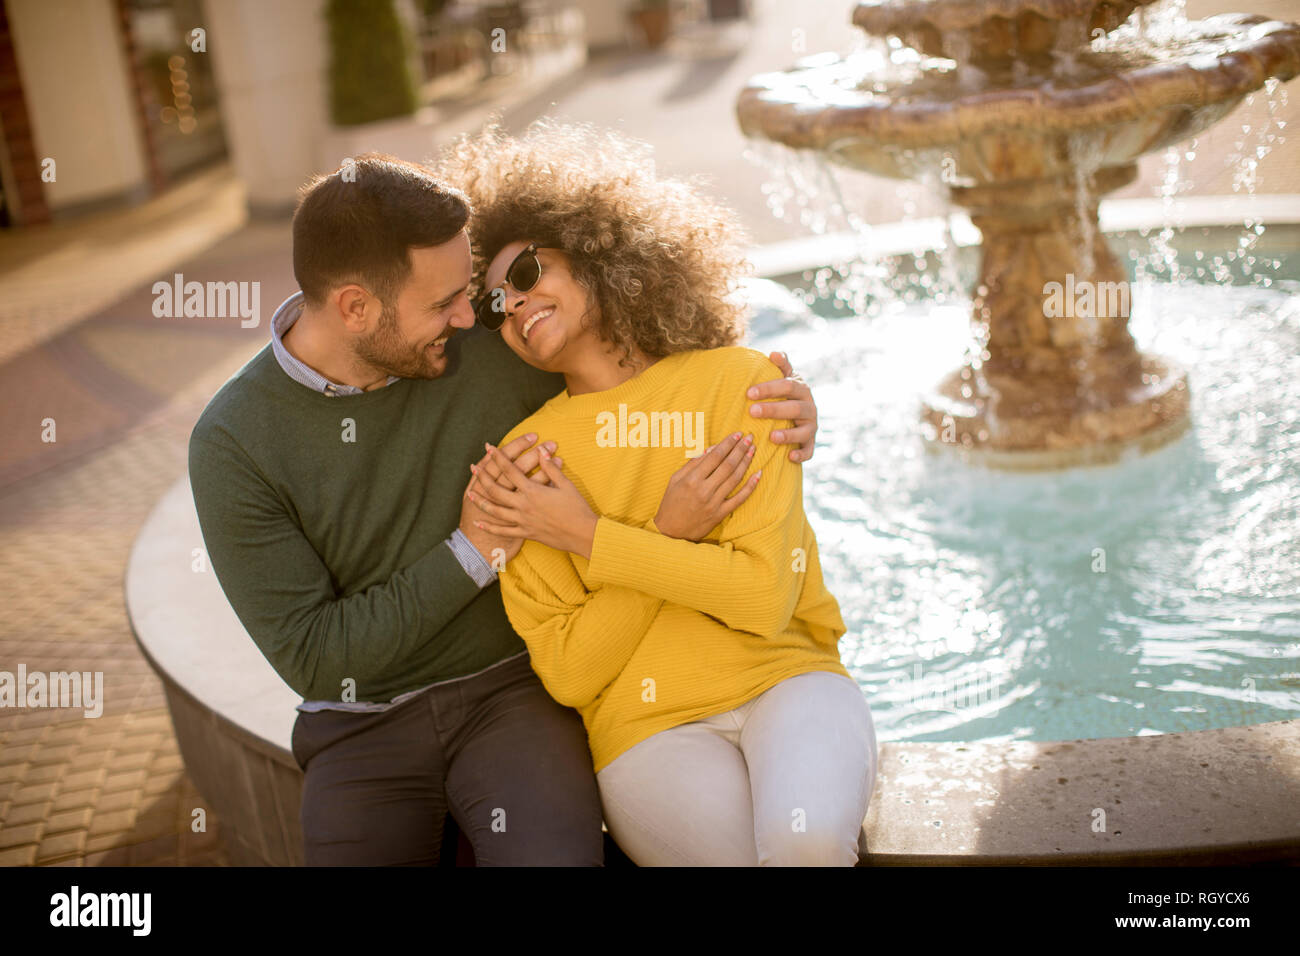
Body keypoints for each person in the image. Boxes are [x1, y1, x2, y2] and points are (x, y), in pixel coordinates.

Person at [186, 151, 825, 866]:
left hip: (512, 695)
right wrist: (473, 551)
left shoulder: (494, 350)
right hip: (360, 725)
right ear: (356, 309)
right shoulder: (232, 444)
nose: (471, 318)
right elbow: (316, 657)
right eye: (444, 304)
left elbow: (638, 368)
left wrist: (778, 400)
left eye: (471, 293)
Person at [441, 122, 878, 866]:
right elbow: (575, 672)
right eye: (493, 308)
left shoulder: (740, 384)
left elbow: (763, 598)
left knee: (803, 840)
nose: (513, 307)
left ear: (595, 252)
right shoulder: (527, 464)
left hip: (786, 679)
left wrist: (593, 538)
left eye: (524, 276)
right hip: (646, 734)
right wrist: (671, 535)